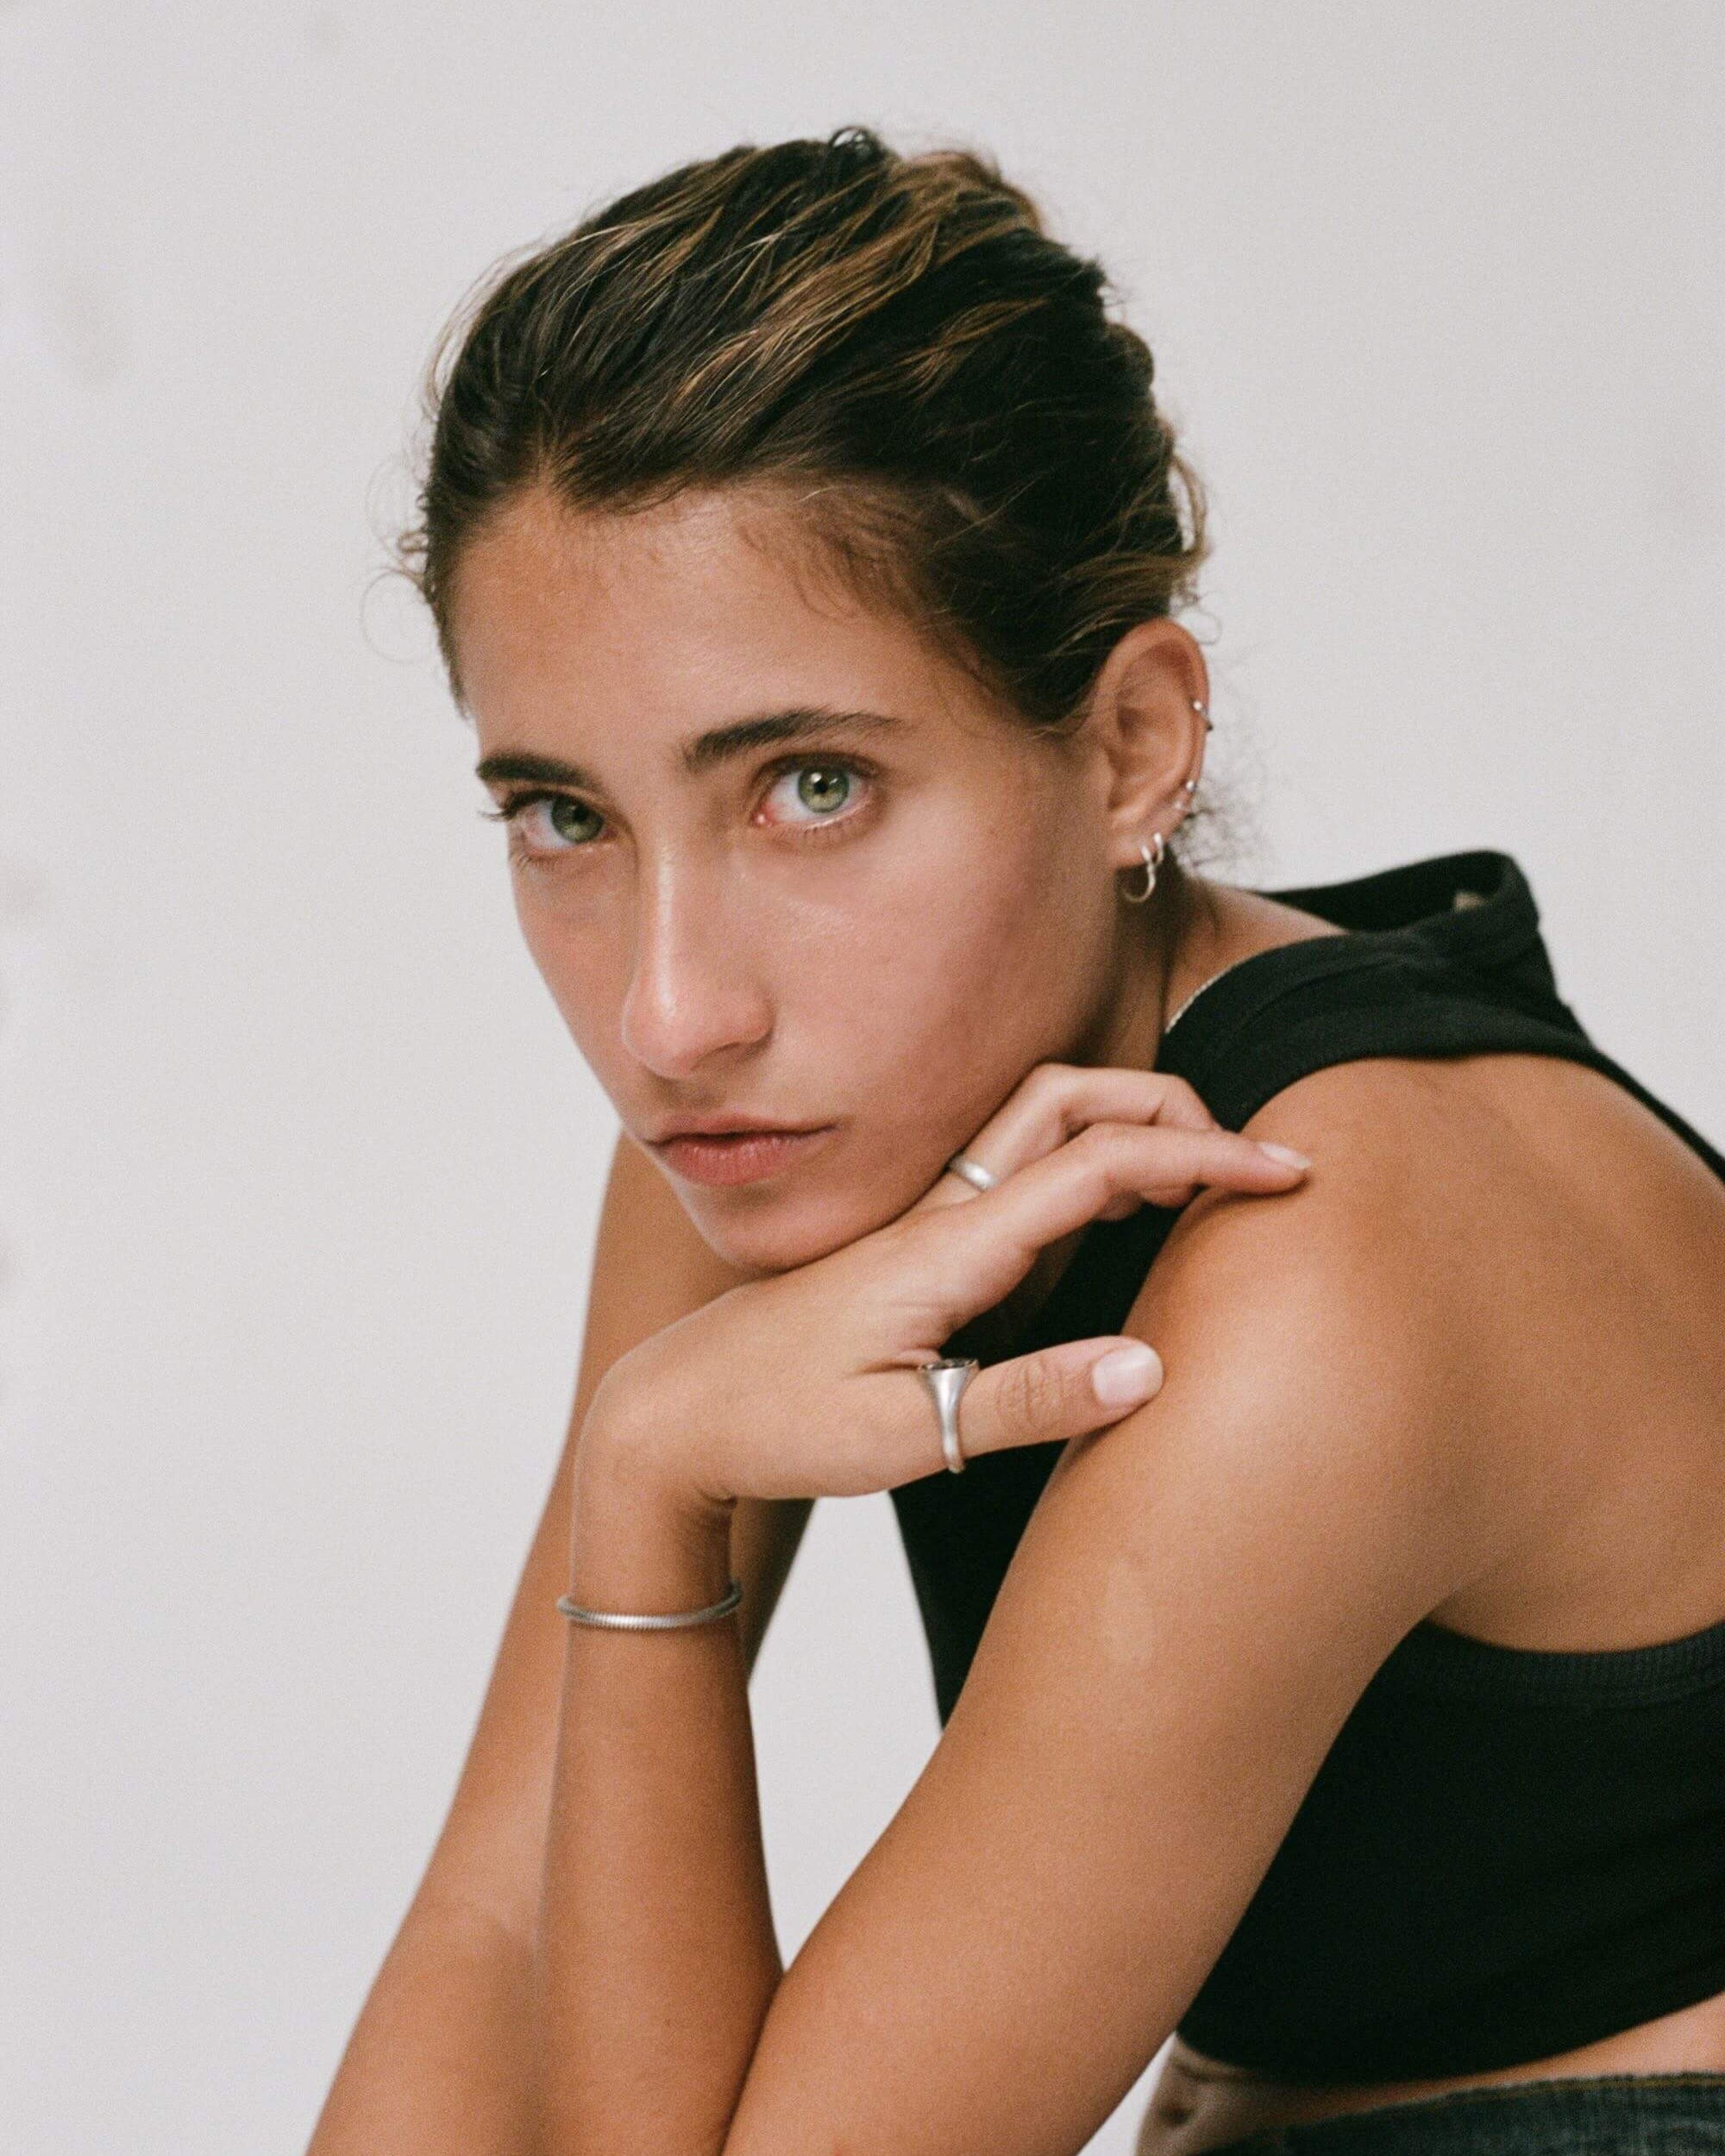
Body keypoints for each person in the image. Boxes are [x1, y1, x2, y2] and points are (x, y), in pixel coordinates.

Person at [307, 128, 1725, 2154]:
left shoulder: (1329, 1256)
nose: (670, 1008)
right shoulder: (770, 1123)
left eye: (808, 785)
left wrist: (649, 1476)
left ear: (1132, 742)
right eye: (565, 817)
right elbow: (493, 1925)